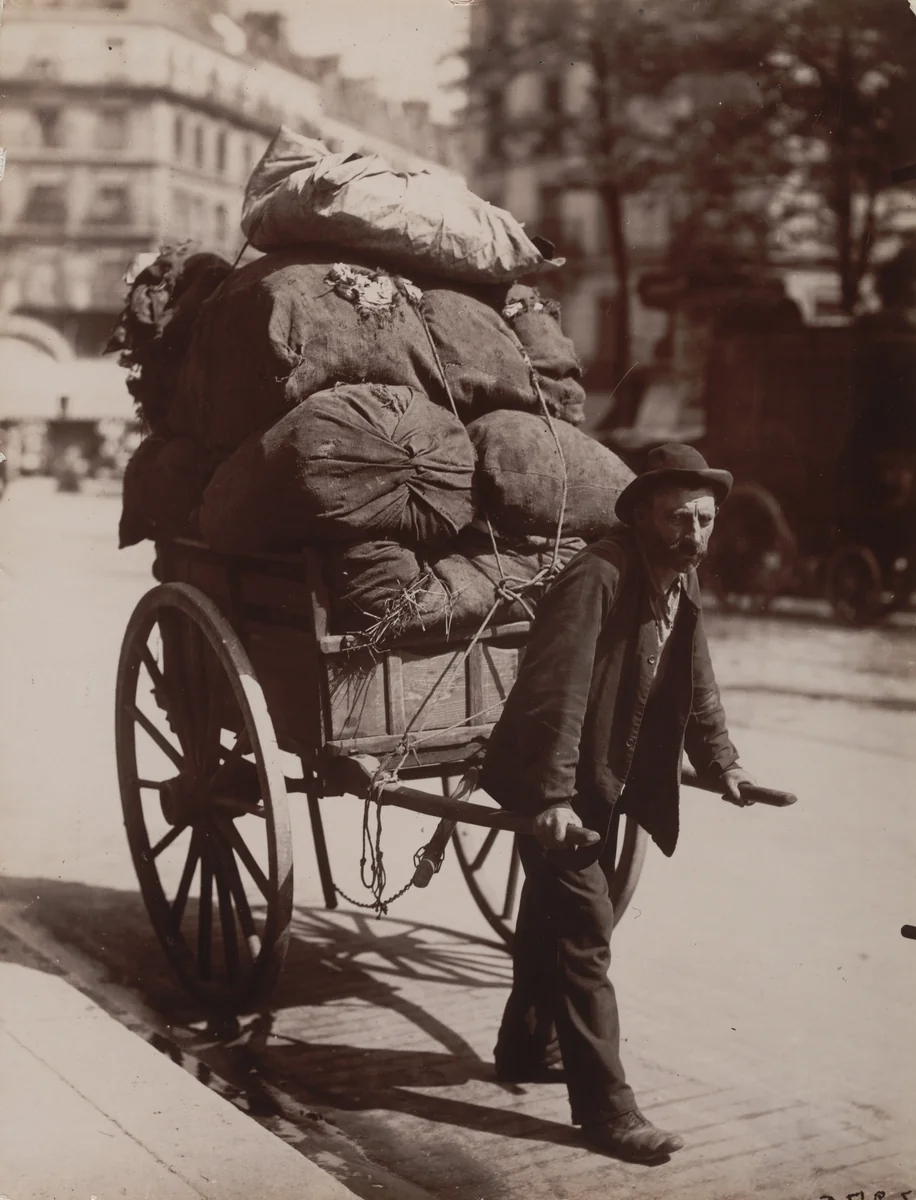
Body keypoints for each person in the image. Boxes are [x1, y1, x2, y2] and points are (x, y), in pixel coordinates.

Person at [479, 442, 756, 1164]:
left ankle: (523, 1046)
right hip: (555, 777)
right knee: (584, 923)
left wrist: (722, 763)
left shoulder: (677, 581)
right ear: (638, 515)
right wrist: (549, 797)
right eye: (676, 519)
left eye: (704, 521)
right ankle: (607, 1108)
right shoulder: (596, 577)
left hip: (598, 775)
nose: (692, 535)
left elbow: (694, 679)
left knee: (555, 913)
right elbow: (554, 690)